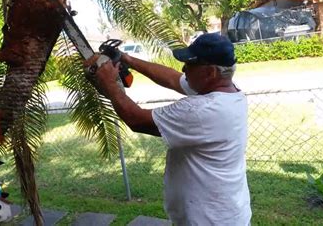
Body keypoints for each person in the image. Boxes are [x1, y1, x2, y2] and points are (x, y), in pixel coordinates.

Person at [86, 33, 251, 225]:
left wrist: (108, 82)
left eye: (190, 64)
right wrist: (126, 58)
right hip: (225, 212)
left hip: (208, 220)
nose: (184, 68)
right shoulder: (230, 93)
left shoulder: (202, 110)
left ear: (210, 72)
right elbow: (173, 79)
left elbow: (136, 120)